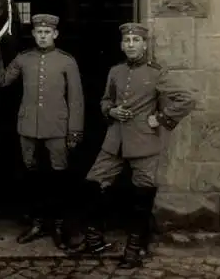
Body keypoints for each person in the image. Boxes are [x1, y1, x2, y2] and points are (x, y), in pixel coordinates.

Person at [68, 23, 196, 268]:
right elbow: (105, 100)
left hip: (144, 142)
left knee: (142, 196)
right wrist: (112, 110)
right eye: (127, 41)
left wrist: (159, 118)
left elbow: (187, 99)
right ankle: (94, 239)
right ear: (121, 45)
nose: (131, 45)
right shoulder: (115, 72)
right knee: (93, 184)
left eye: (136, 40)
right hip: (114, 141)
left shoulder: (156, 73)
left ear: (145, 44)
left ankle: (134, 250)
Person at [0, 14, 85, 250]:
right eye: (38, 32)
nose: (42, 36)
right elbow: (0, 81)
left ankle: (59, 226)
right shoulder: (24, 59)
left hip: (57, 127)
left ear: (55, 34)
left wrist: (75, 130)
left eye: (47, 32)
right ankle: (38, 223)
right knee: (33, 176)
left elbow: (76, 100)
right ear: (34, 34)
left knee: (58, 177)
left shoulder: (66, 61)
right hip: (28, 127)